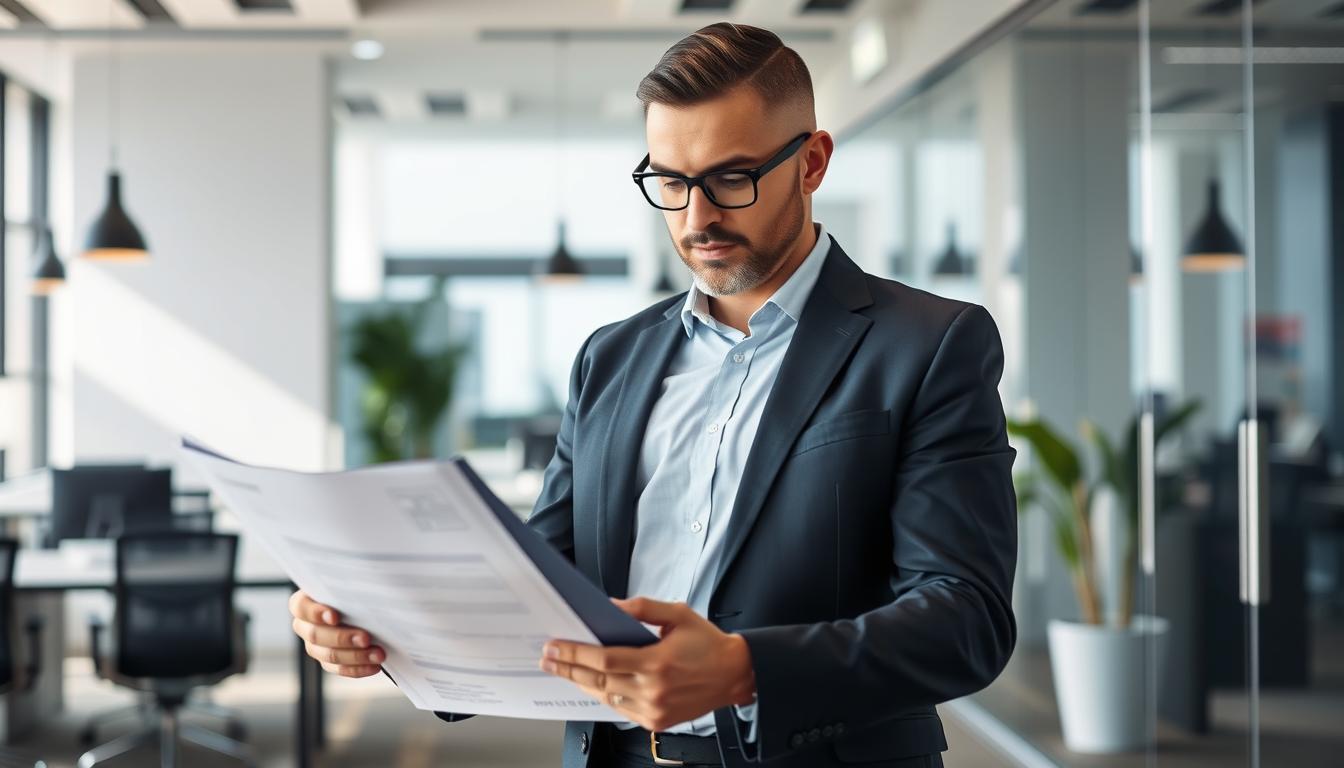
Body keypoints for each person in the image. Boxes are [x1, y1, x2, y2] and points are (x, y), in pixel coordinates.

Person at [289, 22, 1017, 768]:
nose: (696, 217)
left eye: (731, 178)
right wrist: (382, 628)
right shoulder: (612, 358)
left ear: (812, 163)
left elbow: (965, 618)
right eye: (670, 181)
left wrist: (744, 668)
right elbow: (545, 581)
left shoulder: (928, 345)